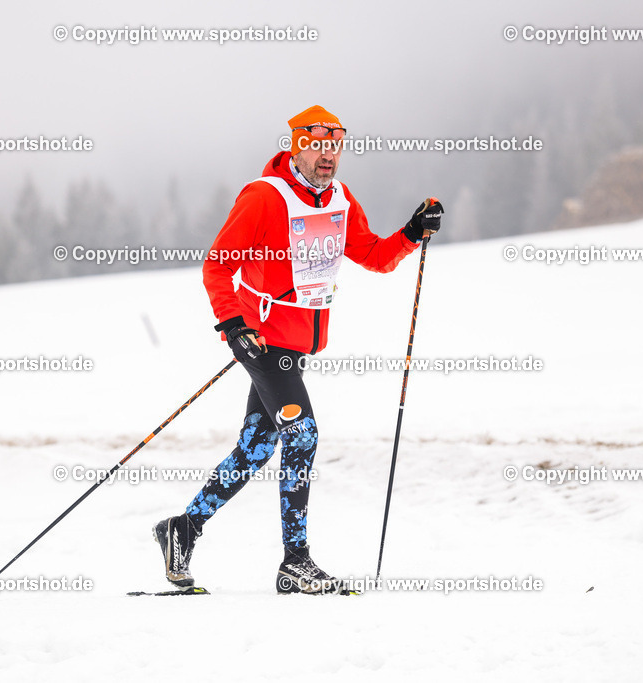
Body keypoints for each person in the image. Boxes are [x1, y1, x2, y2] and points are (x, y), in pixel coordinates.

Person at [153, 105, 443, 594]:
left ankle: (183, 529)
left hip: (296, 342)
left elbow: (372, 254)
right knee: (302, 435)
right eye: (316, 146)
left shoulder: (340, 198)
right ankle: (296, 562)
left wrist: (412, 234)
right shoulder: (264, 197)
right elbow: (217, 266)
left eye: (335, 146)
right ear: (294, 146)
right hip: (261, 339)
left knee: (256, 447)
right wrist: (233, 321)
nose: (327, 156)